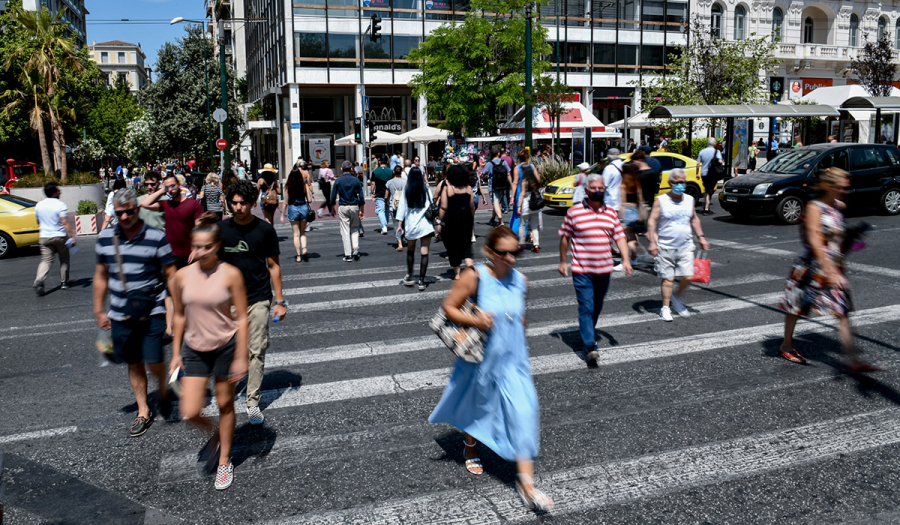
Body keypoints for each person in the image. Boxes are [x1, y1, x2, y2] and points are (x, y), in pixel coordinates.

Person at [429, 226, 553, 513]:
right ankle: (470, 446)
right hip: (481, 359)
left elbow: (520, 318)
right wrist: (477, 321)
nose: (510, 258)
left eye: (515, 252)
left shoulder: (521, 280)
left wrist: (522, 338)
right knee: (478, 406)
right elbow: (449, 307)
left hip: (514, 362)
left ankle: (527, 484)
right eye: (503, 253)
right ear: (489, 252)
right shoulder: (476, 277)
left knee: (525, 412)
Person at [170, 213, 249, 490]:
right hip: (194, 347)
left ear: (217, 246)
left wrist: (241, 355)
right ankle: (215, 434)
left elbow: (241, 318)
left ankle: (225, 460)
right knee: (190, 410)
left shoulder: (231, 274)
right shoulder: (180, 277)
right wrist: (176, 353)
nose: (201, 252)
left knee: (226, 404)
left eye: (207, 246)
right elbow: (179, 315)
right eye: (197, 246)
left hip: (226, 346)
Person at [777, 168, 880, 372]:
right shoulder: (814, 207)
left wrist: (852, 235)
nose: (845, 191)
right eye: (841, 187)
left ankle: (853, 359)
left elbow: (837, 238)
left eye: (846, 187)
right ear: (829, 186)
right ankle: (786, 345)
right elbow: (815, 239)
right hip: (811, 266)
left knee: (842, 311)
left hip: (833, 266)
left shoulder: (838, 206)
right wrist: (829, 270)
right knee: (796, 307)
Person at [93, 188, 175, 437]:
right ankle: (143, 410)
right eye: (120, 213)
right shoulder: (106, 238)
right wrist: (99, 310)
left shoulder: (156, 237)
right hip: (120, 313)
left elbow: (171, 274)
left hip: (153, 310)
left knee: (153, 359)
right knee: (134, 362)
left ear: (137, 209)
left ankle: (162, 389)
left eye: (130, 211)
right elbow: (101, 275)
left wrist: (175, 312)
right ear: (115, 212)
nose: (126, 216)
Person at [218, 180, 287, 425]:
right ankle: (226, 394)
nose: (238, 207)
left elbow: (274, 266)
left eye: (243, 203)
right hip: (227, 303)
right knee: (227, 352)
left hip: (258, 298)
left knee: (256, 350)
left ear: (252, 203)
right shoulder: (221, 230)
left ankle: (252, 401)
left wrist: (280, 300)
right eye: (234, 203)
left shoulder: (265, 230)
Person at [558, 174, 632, 368]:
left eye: (601, 188)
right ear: (586, 189)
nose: (598, 191)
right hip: (582, 270)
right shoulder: (574, 212)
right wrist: (562, 262)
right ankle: (590, 345)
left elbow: (620, 237)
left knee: (597, 306)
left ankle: (587, 329)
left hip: (604, 270)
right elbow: (565, 237)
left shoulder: (611, 213)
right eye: (594, 188)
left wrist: (625, 259)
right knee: (586, 306)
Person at [646, 168, 710, 322]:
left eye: (683, 182)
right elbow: (652, 221)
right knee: (668, 279)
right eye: (677, 182)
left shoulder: (689, 199)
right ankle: (665, 307)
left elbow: (694, 218)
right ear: (670, 183)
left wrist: (701, 236)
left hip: (686, 245)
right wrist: (653, 242)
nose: (680, 185)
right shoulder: (661, 200)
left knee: (688, 276)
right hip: (666, 246)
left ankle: (677, 297)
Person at [139, 173, 204, 269]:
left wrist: (196, 249)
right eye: (167, 187)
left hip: (188, 255)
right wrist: (161, 190)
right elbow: (144, 203)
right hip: (168, 256)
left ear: (179, 185)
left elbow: (200, 229)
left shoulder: (193, 204)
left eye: (173, 186)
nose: (170, 190)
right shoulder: (165, 204)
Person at [33, 182, 75, 296]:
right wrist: (71, 237)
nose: (60, 192)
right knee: (64, 258)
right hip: (60, 236)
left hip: (45, 237)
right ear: (53, 193)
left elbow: (38, 221)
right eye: (58, 190)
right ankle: (64, 282)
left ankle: (39, 279)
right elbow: (65, 222)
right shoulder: (60, 205)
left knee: (46, 260)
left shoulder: (39, 205)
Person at [397, 167, 435, 291]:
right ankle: (422, 281)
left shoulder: (407, 190)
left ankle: (409, 275)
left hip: (411, 225)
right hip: (425, 225)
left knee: (411, 251)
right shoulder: (426, 189)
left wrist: (399, 225)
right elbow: (431, 204)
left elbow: (402, 208)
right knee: (424, 253)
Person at [438, 164, 475, 279]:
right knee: (466, 244)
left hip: (452, 218)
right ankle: (470, 266)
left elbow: (443, 207)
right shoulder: (468, 188)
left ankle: (457, 273)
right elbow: (472, 206)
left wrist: (440, 222)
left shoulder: (448, 189)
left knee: (453, 245)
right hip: (466, 217)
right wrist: (471, 218)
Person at [331, 160, 366, 262]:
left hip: (343, 206)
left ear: (341, 169)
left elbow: (333, 197)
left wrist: (332, 208)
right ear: (351, 169)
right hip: (354, 205)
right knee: (355, 228)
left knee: (345, 230)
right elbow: (362, 197)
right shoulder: (356, 180)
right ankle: (355, 248)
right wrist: (361, 210)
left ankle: (348, 254)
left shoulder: (338, 181)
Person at [618, 162, 651, 267]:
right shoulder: (637, 184)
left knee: (623, 237)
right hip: (636, 210)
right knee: (633, 235)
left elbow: (622, 203)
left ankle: (639, 253)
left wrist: (621, 218)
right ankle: (633, 258)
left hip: (627, 211)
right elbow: (641, 200)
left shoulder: (623, 185)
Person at [281, 167, 314, 262]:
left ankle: (298, 256)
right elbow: (310, 200)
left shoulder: (288, 186)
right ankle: (304, 248)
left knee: (296, 234)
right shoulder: (304, 185)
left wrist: (282, 215)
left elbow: (285, 203)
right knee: (302, 232)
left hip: (293, 208)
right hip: (303, 208)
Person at [516, 155, 542, 253]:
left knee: (522, 224)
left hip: (526, 204)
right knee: (534, 225)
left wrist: (519, 206)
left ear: (524, 171)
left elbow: (522, 194)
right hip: (535, 205)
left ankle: (521, 243)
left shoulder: (524, 181)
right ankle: (536, 245)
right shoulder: (535, 180)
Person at [483, 146, 511, 226]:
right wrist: (511, 184)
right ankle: (492, 218)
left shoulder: (489, 164)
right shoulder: (503, 162)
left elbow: (482, 174)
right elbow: (508, 173)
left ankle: (501, 220)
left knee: (496, 203)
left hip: (493, 186)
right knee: (497, 202)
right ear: (498, 154)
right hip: (502, 185)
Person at [696, 138, 723, 216]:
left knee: (706, 189)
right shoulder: (716, 151)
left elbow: (698, 164)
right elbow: (720, 161)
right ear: (714, 144)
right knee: (710, 190)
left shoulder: (702, 151)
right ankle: (706, 208)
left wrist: (697, 173)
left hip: (703, 173)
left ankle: (705, 205)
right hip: (712, 173)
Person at [386, 166, 407, 252]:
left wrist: (386, 204)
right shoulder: (406, 182)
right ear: (401, 172)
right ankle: (403, 237)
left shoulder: (389, 182)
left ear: (394, 172)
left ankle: (399, 244)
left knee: (396, 224)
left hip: (394, 206)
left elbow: (386, 196)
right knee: (404, 223)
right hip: (404, 206)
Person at [371, 156, 393, 234]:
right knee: (387, 209)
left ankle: (384, 226)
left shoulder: (375, 172)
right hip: (389, 193)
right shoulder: (391, 171)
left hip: (379, 193)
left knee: (380, 210)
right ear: (387, 161)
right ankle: (385, 225)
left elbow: (373, 183)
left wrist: (372, 192)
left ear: (379, 162)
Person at [600, 148, 624, 213]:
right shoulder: (624, 165)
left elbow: (603, 184)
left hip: (610, 202)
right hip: (622, 202)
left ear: (608, 157)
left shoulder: (609, 168)